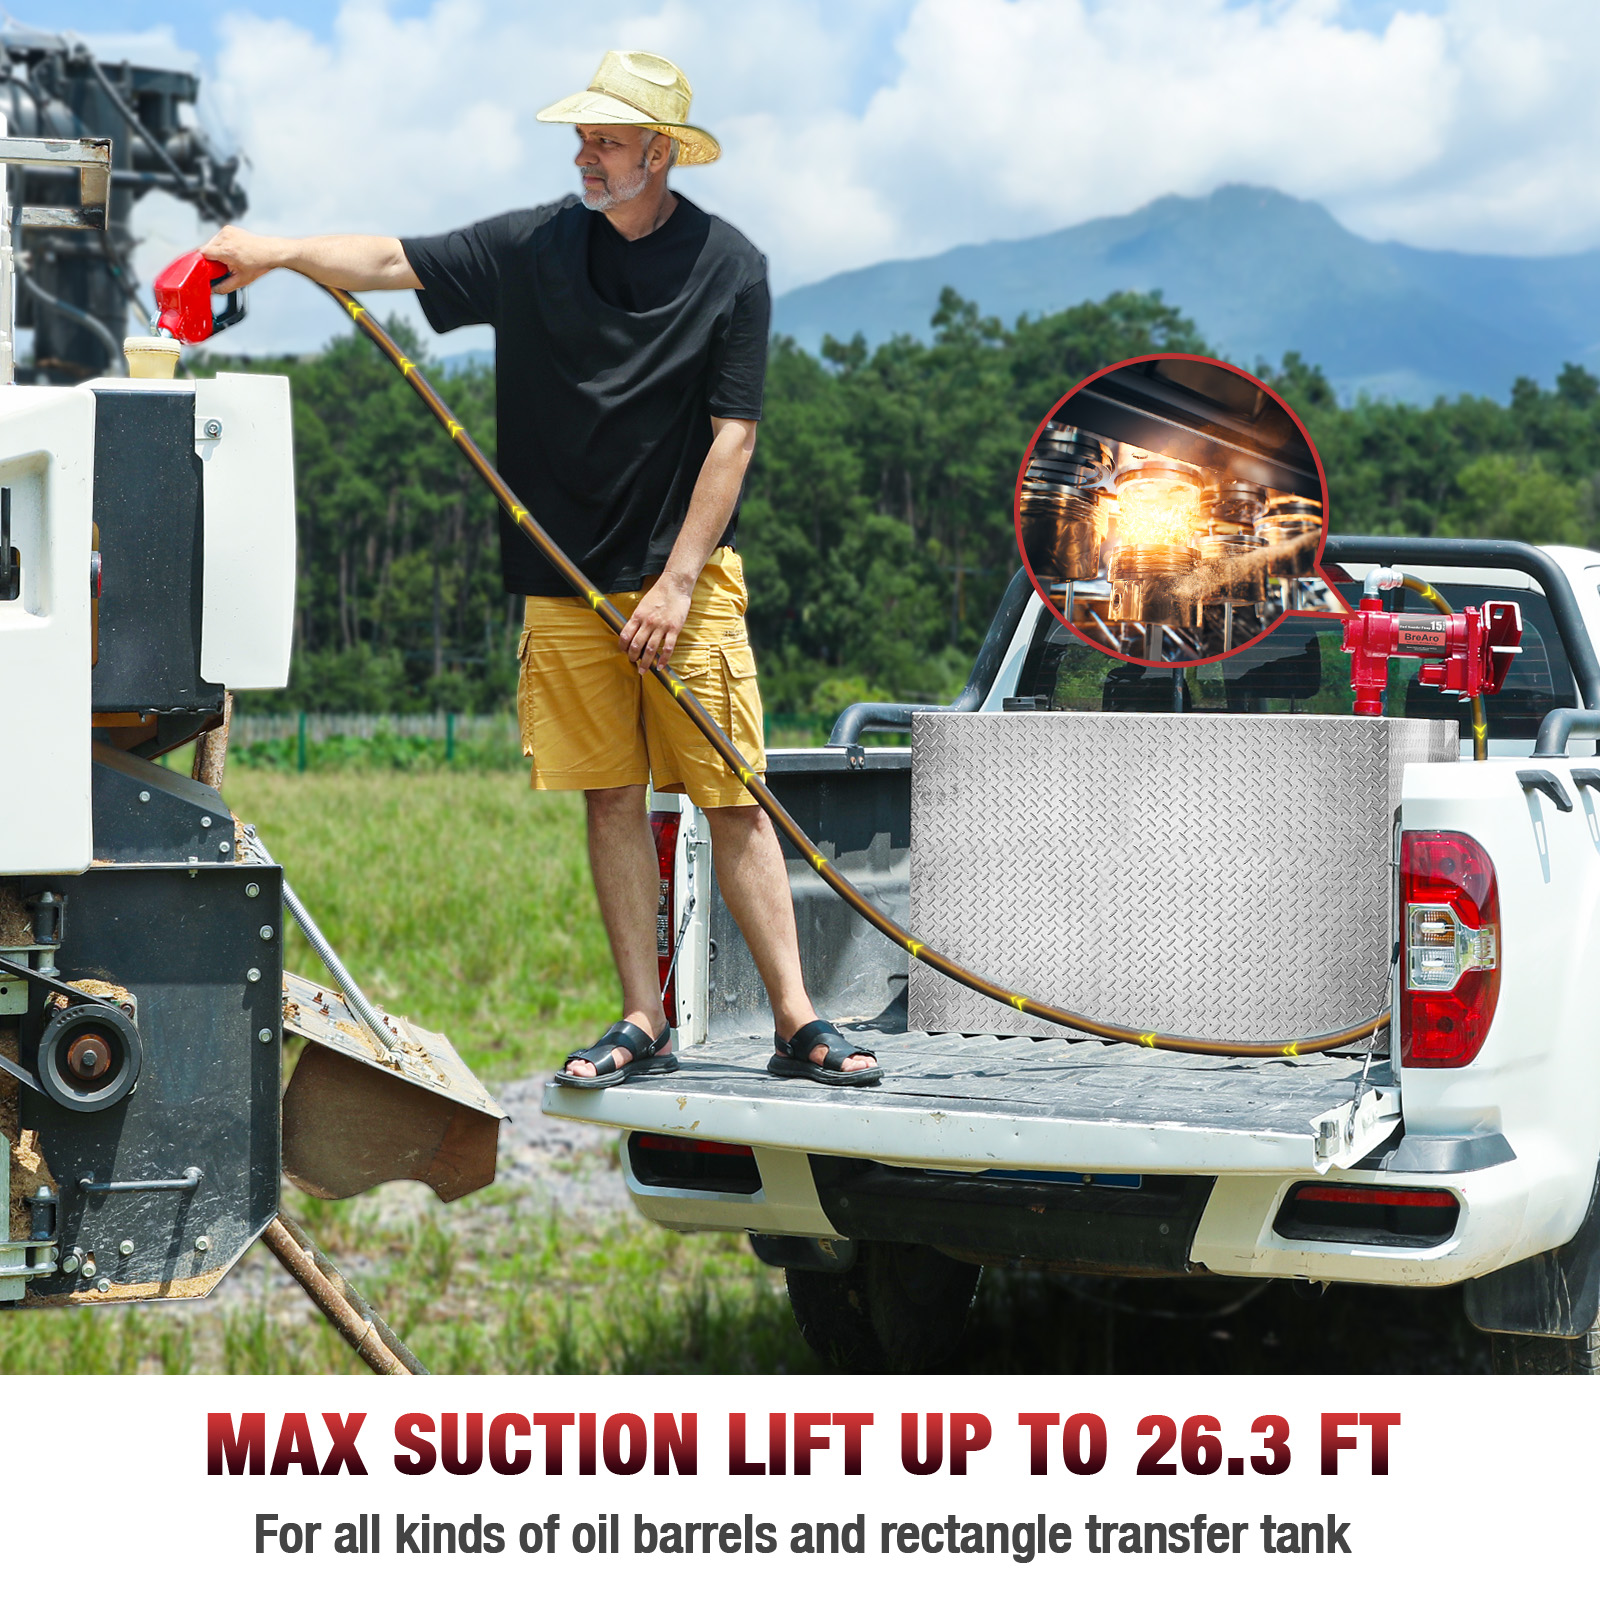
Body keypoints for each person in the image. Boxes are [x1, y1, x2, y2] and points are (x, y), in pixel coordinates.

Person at [201, 49, 880, 1090]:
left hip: (682, 587)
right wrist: (281, 252)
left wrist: (678, 580)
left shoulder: (730, 266)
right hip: (563, 593)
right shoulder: (531, 246)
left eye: (604, 141)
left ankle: (796, 1020)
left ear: (658, 154)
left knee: (732, 796)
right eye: (581, 139)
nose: (584, 157)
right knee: (607, 796)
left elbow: (731, 437)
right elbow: (391, 260)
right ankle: (638, 1017)